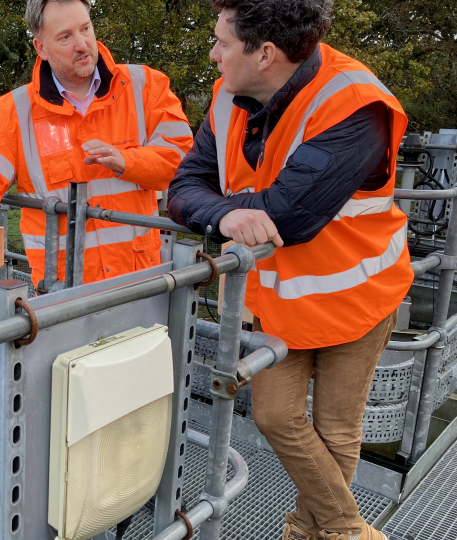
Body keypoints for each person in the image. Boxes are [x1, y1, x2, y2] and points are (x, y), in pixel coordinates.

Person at [166, 1, 413, 539]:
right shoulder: (227, 98)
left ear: (266, 54)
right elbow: (182, 190)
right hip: (278, 300)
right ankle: (350, 530)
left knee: (336, 428)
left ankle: (306, 531)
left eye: (222, 43)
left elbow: (287, 217)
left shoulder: (354, 103)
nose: (213, 55)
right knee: (276, 417)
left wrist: (222, 205)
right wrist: (228, 210)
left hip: (359, 293)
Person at [0, 0, 193, 289]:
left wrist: (127, 162)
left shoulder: (145, 85)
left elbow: (182, 163)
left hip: (142, 281)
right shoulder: (12, 112)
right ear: (41, 48)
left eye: (85, 29)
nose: (82, 44)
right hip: (63, 289)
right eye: (65, 37)